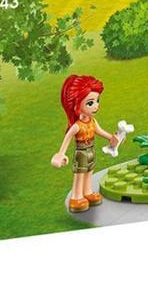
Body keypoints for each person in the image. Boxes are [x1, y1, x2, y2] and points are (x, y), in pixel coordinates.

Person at [51, 75, 108, 213]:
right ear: (77, 105)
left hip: (91, 150)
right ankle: (76, 197)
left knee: (89, 171)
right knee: (80, 174)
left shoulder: (92, 121)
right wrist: (61, 154)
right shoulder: (77, 126)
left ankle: (87, 192)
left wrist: (112, 137)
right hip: (81, 152)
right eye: (90, 103)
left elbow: (99, 131)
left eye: (97, 101)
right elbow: (67, 138)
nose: (96, 106)